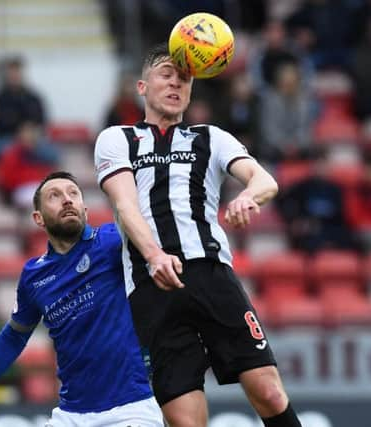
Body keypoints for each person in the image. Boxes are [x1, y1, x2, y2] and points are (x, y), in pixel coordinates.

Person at [94, 43, 302, 427]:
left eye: (184, 78)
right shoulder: (116, 139)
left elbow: (264, 180)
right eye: (166, 75)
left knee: (270, 393)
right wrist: (155, 255)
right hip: (151, 285)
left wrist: (247, 198)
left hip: (211, 275)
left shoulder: (211, 137)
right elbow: (125, 205)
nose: (176, 83)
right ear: (142, 87)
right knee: (186, 422)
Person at [0, 171, 163, 427]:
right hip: (71, 415)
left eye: (73, 193)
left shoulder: (113, 242)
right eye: (55, 195)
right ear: (38, 218)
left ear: (84, 207)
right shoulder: (34, 275)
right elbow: (15, 335)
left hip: (131, 409)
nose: (67, 200)